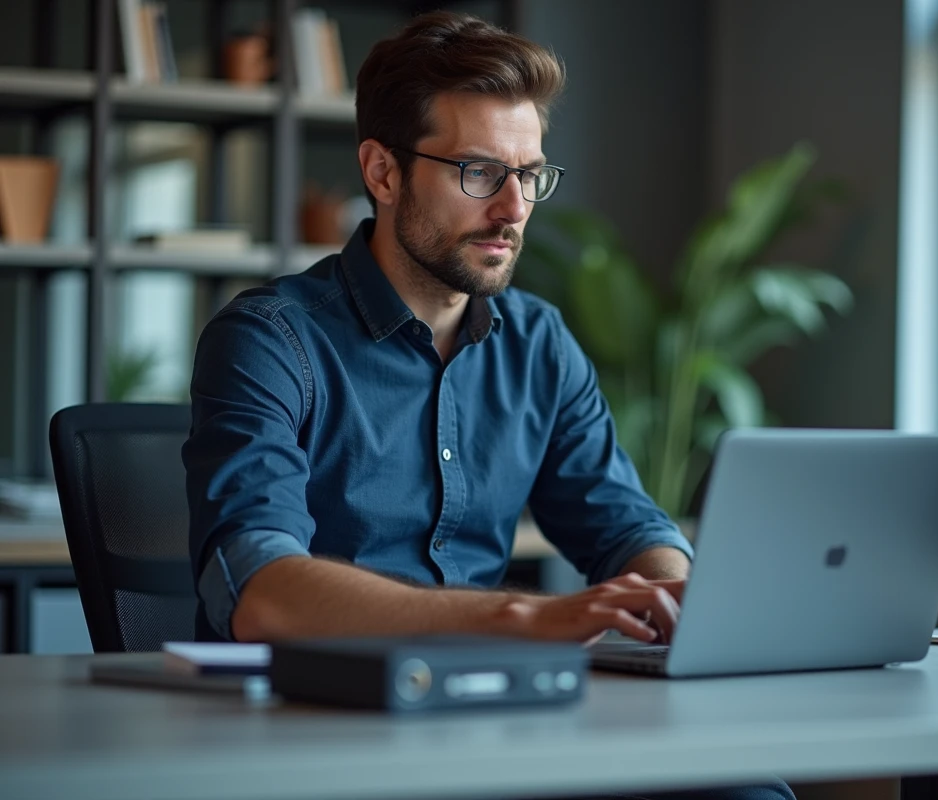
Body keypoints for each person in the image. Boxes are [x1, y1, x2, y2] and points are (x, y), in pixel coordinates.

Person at [184, 12, 793, 800]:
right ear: (383, 173)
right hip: (321, 738)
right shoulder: (269, 340)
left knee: (743, 791)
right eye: (478, 172)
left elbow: (626, 527)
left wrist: (674, 601)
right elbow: (260, 590)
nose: (513, 208)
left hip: (499, 723)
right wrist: (524, 619)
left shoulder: (537, 341)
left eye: (530, 174)